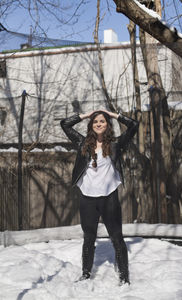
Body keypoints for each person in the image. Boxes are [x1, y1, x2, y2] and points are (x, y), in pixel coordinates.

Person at [60, 109, 139, 285]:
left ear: (107, 124)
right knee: (89, 237)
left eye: (102, 121)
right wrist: (86, 114)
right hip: (87, 197)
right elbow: (64, 124)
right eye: (95, 121)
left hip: (109, 196)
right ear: (91, 124)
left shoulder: (117, 144)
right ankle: (86, 274)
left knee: (117, 237)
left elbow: (134, 125)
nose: (98, 124)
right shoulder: (83, 143)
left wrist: (113, 114)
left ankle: (124, 276)